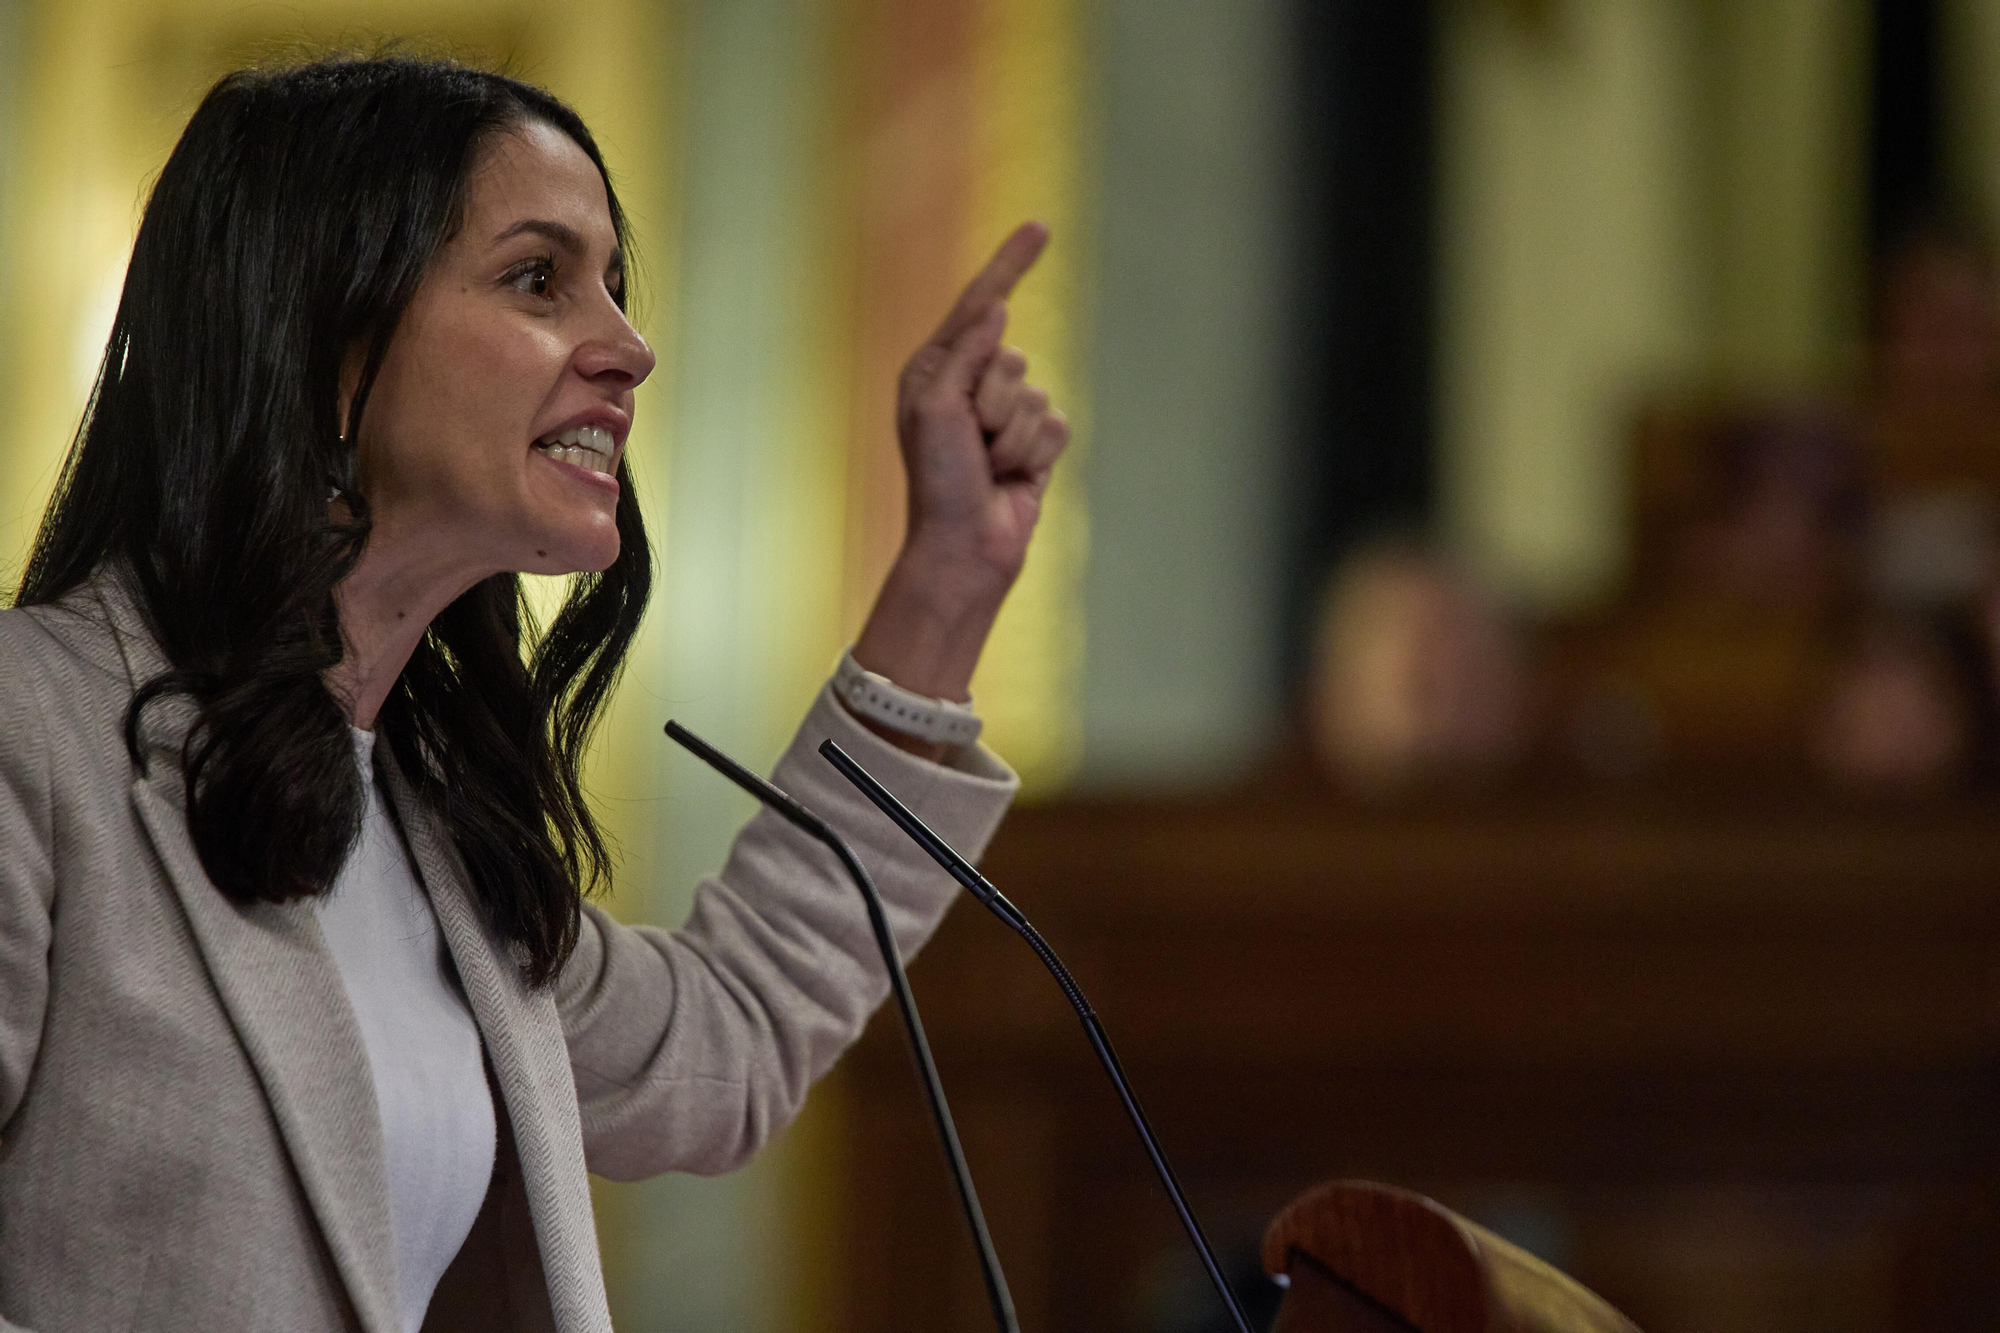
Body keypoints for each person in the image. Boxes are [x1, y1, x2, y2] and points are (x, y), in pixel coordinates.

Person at [0, 56, 1068, 1333]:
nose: (629, 348)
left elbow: (725, 1041)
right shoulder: (32, 731)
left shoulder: (434, 832)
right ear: (319, 334)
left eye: (611, 286)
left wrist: (948, 577)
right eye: (536, 279)